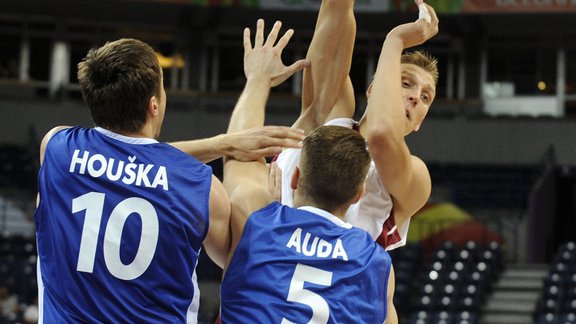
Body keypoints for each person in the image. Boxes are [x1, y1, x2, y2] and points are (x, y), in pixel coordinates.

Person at [33, 37, 306, 322]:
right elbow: (244, 264)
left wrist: (223, 143)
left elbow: (127, 155)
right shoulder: (200, 187)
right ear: (154, 105)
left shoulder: (57, 150)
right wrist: (277, 209)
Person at [219, 19, 397, 323]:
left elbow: (240, 150)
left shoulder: (255, 217)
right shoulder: (376, 264)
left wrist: (258, 80)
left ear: (295, 175)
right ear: (358, 195)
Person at [275, 0, 440, 250]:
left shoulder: (415, 175)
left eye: (426, 97)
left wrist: (395, 40)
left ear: (420, 123)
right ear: (374, 90)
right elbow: (334, 12)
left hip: (333, 286)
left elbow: (380, 135)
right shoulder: (329, 118)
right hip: (265, 269)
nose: (416, 96)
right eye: (406, 83)